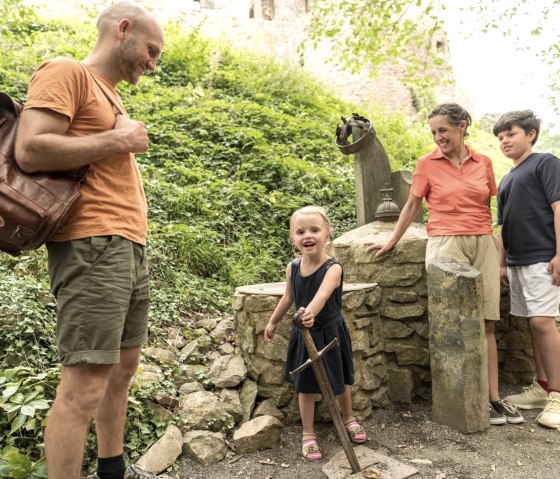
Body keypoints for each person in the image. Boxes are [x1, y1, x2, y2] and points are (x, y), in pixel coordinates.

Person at [14, 2, 164, 478]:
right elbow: (31, 148)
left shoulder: (110, 96)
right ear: (123, 30)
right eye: (151, 50)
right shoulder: (66, 72)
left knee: (121, 369)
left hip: (125, 246)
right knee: (83, 385)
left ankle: (112, 469)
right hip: (92, 244)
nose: (153, 63)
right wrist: (121, 140)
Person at [366, 103, 523, 426]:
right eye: (434, 132)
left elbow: (488, 206)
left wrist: (499, 253)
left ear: (462, 125)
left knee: (487, 321)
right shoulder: (427, 164)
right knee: (450, 324)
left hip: (482, 241)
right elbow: (411, 205)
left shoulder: (485, 162)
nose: (438, 137)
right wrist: (392, 240)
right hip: (445, 243)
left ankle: (493, 399)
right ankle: (459, 400)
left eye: (443, 130)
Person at [264, 205, 367, 461]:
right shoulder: (293, 267)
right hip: (304, 335)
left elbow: (322, 295)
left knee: (341, 379)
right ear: (293, 238)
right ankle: (308, 434)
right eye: (300, 231)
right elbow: (288, 297)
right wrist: (273, 321)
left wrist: (307, 313)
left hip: (330, 333)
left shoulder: (333, 268)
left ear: (327, 234)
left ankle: (349, 419)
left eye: (314, 230)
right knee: (305, 386)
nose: (307, 235)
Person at [493, 110, 560, 429]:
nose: (504, 140)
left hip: (543, 257)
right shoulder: (506, 179)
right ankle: (542, 387)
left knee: (543, 322)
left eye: (511, 134)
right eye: (501, 137)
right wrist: (502, 263)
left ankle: (559, 397)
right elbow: (503, 225)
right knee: (532, 325)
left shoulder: (545, 162)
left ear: (530, 134)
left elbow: (558, 207)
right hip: (517, 262)